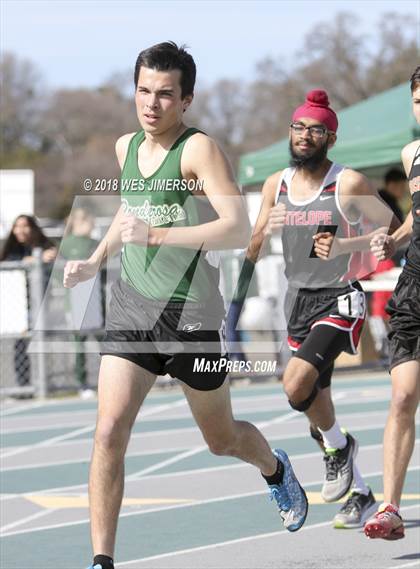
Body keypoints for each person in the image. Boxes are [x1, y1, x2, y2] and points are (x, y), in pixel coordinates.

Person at [63, 42, 308, 569]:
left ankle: (272, 467)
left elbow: (238, 227)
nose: (151, 104)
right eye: (143, 91)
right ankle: (101, 561)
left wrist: (159, 235)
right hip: (131, 308)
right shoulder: (125, 146)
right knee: (108, 430)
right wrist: (95, 260)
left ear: (187, 100)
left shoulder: (199, 151)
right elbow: (130, 212)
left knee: (221, 440)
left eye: (165, 95)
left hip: (191, 317)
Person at [245, 89, 399, 529]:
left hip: (340, 296)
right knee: (315, 404)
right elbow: (252, 250)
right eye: (298, 128)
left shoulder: (346, 182)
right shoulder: (276, 184)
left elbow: (389, 232)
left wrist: (343, 245)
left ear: (330, 138)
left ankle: (340, 449)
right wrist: (265, 229)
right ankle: (362, 492)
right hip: (298, 301)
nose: (304, 136)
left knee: (295, 386)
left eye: (315, 130)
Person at [364, 66, 420, 541]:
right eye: (419, 102)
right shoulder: (410, 154)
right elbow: (414, 219)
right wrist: (393, 239)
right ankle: (391, 508)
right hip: (414, 289)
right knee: (402, 396)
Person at [1, 215, 56, 392]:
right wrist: (32, 261)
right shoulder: (12, 250)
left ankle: (48, 382)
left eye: (25, 226)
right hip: (18, 305)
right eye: (17, 226)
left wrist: (52, 256)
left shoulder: (45, 247)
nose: (20, 230)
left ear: (33, 228)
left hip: (40, 302)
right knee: (21, 344)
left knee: (43, 341)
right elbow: (9, 264)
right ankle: (23, 386)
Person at [60, 207, 99, 398]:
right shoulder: (66, 245)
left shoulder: (95, 243)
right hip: (75, 302)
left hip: (96, 302)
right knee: (79, 344)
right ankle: (82, 383)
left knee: (107, 343)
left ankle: (110, 379)